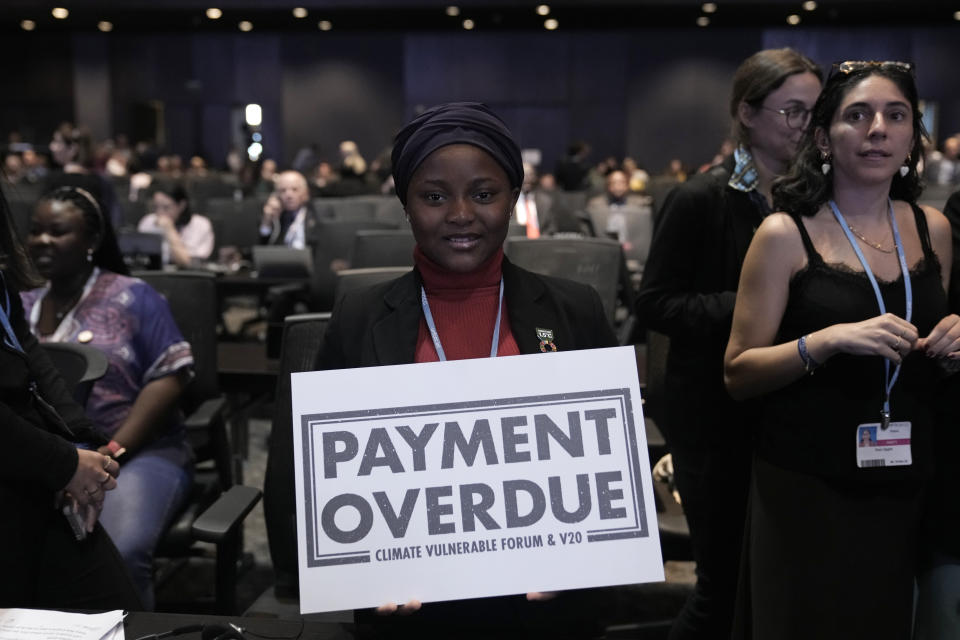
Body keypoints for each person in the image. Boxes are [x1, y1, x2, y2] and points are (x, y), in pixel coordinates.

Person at [315, 102, 616, 638]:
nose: (459, 213)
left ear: (514, 200)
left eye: (483, 194)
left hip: (543, 607)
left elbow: (606, 468)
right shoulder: (357, 317)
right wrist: (361, 568)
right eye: (434, 196)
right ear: (406, 204)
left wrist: (583, 557)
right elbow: (318, 476)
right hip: (408, 608)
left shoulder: (575, 310)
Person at [723, 60, 960, 638]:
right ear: (825, 137)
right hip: (806, 485)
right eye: (858, 115)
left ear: (911, 139)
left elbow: (933, 353)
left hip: (903, 479)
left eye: (896, 115)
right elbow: (736, 372)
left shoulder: (934, 229)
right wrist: (823, 342)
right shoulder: (784, 233)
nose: (878, 128)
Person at [634, 48, 821, 640]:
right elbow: (656, 303)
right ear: (748, 112)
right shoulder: (701, 199)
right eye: (793, 111)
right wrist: (751, 310)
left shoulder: (813, 198)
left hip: (784, 406)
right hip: (710, 413)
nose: (807, 127)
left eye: (816, 113)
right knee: (721, 584)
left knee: (767, 581)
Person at [22, 186, 195, 610]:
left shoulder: (134, 296)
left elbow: (169, 379)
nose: (43, 240)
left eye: (58, 231)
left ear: (91, 242)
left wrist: (113, 449)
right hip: (46, 459)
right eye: (36, 231)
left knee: (118, 550)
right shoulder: (19, 305)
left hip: (136, 452)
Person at [0, 187, 139, 610]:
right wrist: (65, 464)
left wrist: (78, 442)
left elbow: (26, 351)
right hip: (25, 467)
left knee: (112, 604)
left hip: (36, 465)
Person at [137, 182, 215, 267]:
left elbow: (186, 263)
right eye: (155, 207)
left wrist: (169, 230)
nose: (160, 213)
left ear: (181, 205)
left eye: (166, 207)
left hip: (187, 276)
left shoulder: (200, 224)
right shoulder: (148, 221)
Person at [259, 170, 316, 248]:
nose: (288, 195)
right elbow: (263, 248)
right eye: (283, 190)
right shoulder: (277, 219)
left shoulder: (316, 215)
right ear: (277, 195)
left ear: (305, 193)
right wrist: (267, 221)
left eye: (294, 189)